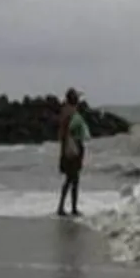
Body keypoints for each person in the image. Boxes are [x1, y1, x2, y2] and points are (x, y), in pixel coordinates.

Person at [56, 88, 87, 216]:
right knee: (73, 179)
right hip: (72, 149)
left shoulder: (66, 112)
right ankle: (69, 208)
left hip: (68, 148)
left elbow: (62, 134)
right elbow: (70, 133)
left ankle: (65, 207)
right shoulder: (71, 113)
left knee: (71, 179)